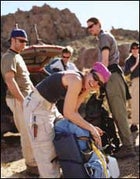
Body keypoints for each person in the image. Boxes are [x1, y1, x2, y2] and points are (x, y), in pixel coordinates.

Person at [23, 62, 111, 178]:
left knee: (58, 146)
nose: (95, 83)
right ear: (89, 72)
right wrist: (92, 129)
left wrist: (91, 128)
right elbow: (68, 113)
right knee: (46, 155)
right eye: (95, 77)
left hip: (50, 107)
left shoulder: (85, 86)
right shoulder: (76, 80)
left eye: (99, 83)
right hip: (37, 107)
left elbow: (73, 111)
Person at [86, 17, 136, 159]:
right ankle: (126, 145)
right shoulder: (104, 37)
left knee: (119, 113)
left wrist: (96, 78)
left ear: (98, 24)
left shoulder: (103, 37)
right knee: (116, 112)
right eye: (88, 27)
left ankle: (128, 147)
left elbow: (105, 62)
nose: (90, 29)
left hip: (112, 77)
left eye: (91, 26)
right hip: (112, 77)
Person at [1, 28, 39, 176]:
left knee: (32, 130)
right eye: (21, 41)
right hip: (18, 99)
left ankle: (35, 161)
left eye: (25, 42)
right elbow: (10, 81)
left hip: (26, 98)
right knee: (26, 132)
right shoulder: (8, 57)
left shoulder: (18, 57)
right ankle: (31, 165)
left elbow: (27, 81)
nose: (24, 44)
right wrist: (23, 101)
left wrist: (37, 96)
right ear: (12, 40)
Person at [43, 45, 79, 114]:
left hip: (65, 91)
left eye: (67, 57)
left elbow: (77, 75)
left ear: (70, 56)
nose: (65, 59)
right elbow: (46, 70)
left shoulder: (71, 66)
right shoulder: (57, 62)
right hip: (55, 88)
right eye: (63, 57)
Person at [124, 42, 139, 132]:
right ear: (131, 49)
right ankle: (134, 124)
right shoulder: (129, 60)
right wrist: (137, 63)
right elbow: (126, 73)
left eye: (137, 48)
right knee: (135, 103)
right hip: (136, 81)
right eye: (133, 48)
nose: (135, 50)